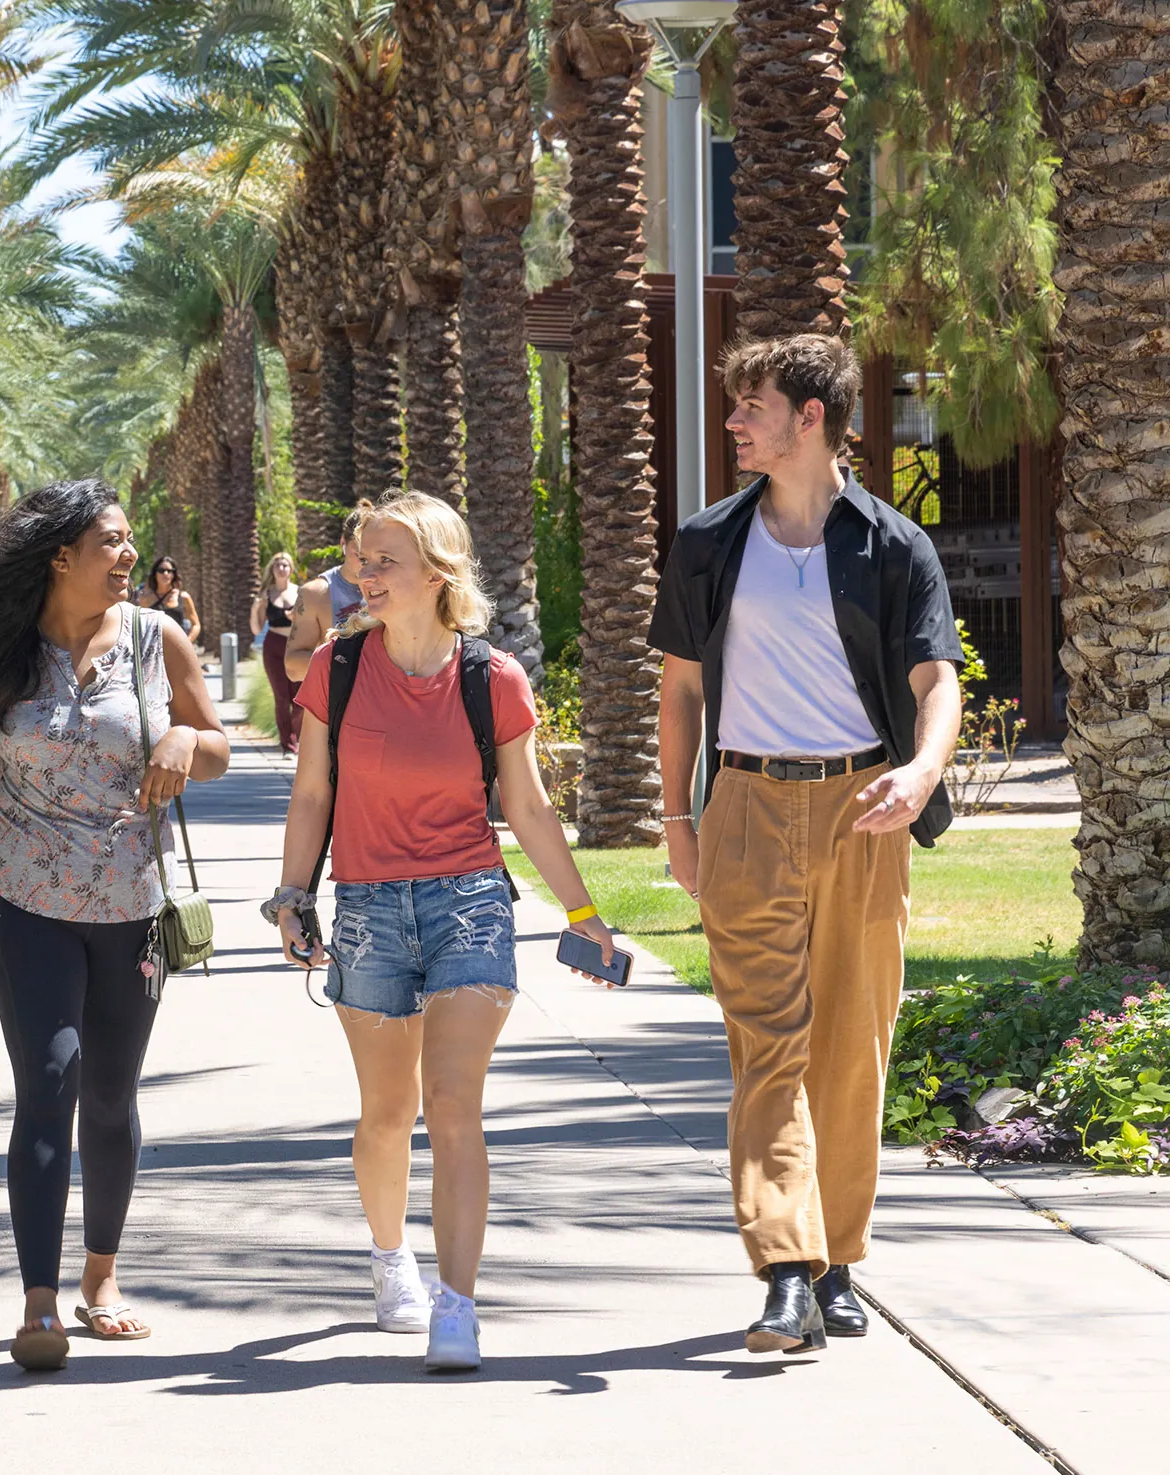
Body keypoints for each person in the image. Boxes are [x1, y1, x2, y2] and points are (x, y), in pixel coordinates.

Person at [649, 333, 964, 1355]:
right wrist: (678, 818)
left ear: (810, 416)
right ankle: (785, 1265)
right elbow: (682, 689)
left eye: (753, 406)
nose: (735, 422)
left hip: (865, 805)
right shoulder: (707, 542)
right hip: (745, 803)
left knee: (853, 1045)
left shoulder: (892, 545)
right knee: (766, 1045)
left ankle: (836, 1258)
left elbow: (936, 680)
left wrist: (920, 772)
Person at [267, 491, 619, 1372]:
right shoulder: (337, 671)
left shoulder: (490, 677)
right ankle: (393, 1260)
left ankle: (456, 1306)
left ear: (437, 572)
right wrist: (291, 895)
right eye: (360, 561)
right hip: (370, 907)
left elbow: (528, 806)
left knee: (454, 1104)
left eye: (382, 562)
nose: (363, 576)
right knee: (388, 1115)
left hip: (468, 901)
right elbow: (312, 793)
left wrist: (581, 912)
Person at [0, 481, 230, 1372]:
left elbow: (220, 745)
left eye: (129, 542)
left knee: (112, 1094)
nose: (130, 557)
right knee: (50, 1083)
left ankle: (101, 1278)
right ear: (59, 557)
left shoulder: (159, 641)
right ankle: (39, 1297)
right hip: (27, 903)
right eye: (112, 543)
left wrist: (184, 744)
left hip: (135, 909)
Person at [283, 524, 365, 683]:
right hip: (338, 702)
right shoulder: (315, 593)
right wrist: (348, 663)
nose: (365, 564)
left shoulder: (391, 587)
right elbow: (293, 667)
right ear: (343, 544)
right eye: (360, 556)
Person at [250, 551, 302, 754]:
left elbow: (309, 622)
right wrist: (256, 609)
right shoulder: (266, 594)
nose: (281, 569)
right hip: (273, 645)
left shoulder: (300, 592)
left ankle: (299, 740)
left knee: (299, 698)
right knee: (281, 697)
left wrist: (295, 617)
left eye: (285, 565)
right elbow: (256, 629)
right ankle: (288, 745)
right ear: (272, 570)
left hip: (296, 645)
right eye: (277, 565)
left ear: (291, 569)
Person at [134, 555, 200, 643]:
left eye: (169, 571)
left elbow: (196, 625)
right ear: (155, 574)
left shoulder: (183, 597)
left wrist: (187, 642)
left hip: (177, 648)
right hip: (153, 649)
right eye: (161, 571)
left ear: (174, 574)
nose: (165, 574)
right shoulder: (145, 598)